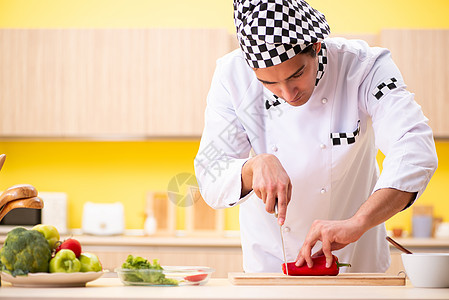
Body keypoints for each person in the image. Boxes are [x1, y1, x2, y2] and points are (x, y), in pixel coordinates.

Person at [194, 0, 438, 273]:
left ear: (317, 45)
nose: (288, 94)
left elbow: (414, 148)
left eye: (297, 74)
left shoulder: (363, 68)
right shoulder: (232, 77)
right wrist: (254, 167)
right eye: (269, 83)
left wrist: (359, 222)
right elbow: (210, 174)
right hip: (271, 263)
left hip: (356, 260)